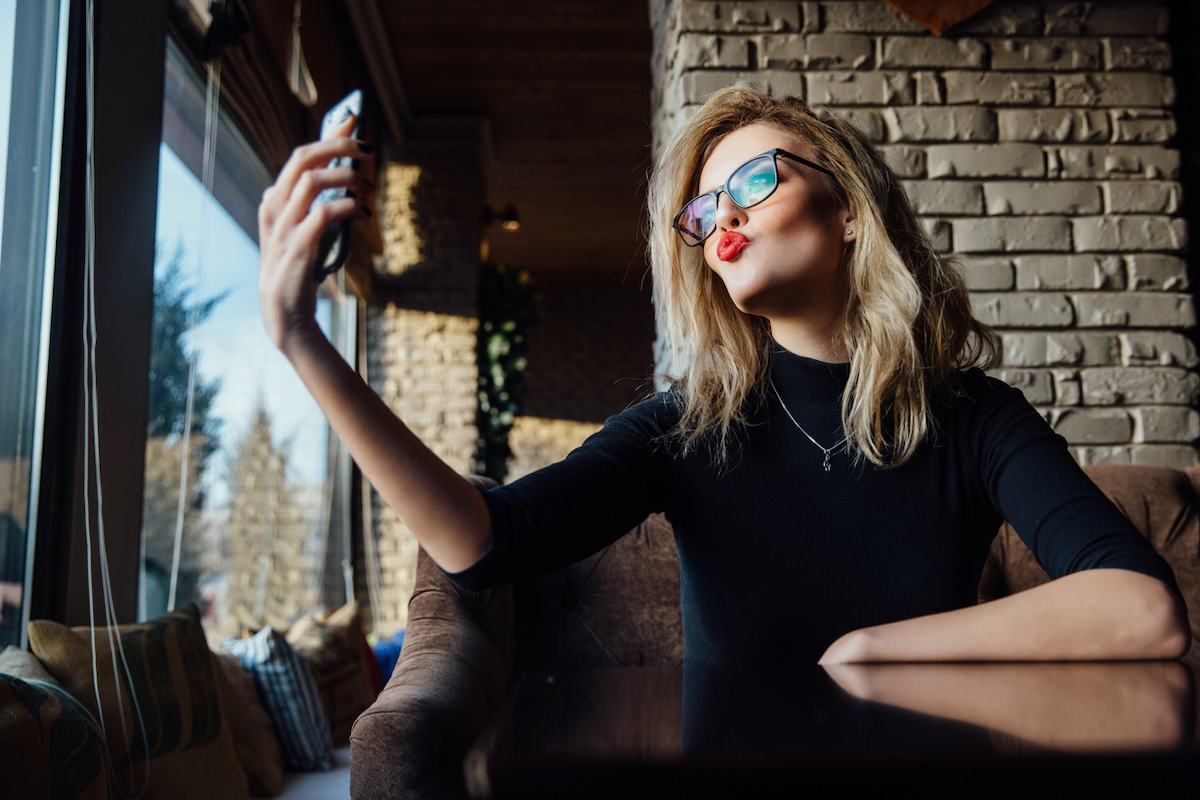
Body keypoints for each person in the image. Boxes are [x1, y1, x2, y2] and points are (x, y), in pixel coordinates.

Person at [258, 86, 1190, 667]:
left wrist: (874, 650)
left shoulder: (975, 418)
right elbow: (483, 542)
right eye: (705, 211)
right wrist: (303, 337)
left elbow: (1142, 608)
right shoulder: (687, 426)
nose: (720, 220)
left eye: (753, 182)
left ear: (851, 210)